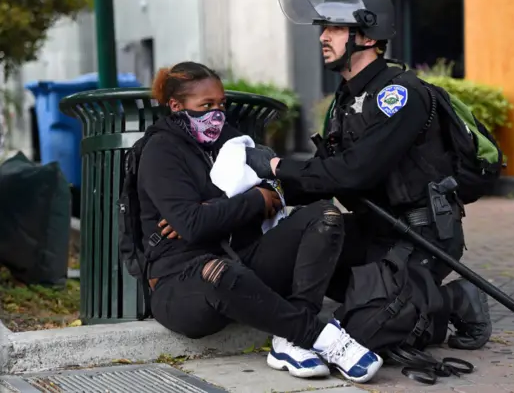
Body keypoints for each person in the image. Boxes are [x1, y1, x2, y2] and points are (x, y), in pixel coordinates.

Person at [244, 0, 492, 351]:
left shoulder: (399, 95)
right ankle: (382, 297)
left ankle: (455, 301)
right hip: (375, 230)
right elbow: (324, 173)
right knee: (305, 247)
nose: (323, 38)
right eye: (323, 29)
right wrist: (260, 188)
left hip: (419, 236)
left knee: (361, 335)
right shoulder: (347, 100)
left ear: (368, 36)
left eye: (335, 28)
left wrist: (279, 165)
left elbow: (354, 172)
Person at [135, 61, 383, 383]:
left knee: (324, 215)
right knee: (219, 271)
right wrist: (253, 200)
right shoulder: (160, 151)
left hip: (241, 258)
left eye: (221, 104)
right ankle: (320, 337)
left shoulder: (229, 140)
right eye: (205, 105)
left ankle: (289, 340)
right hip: (181, 283)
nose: (217, 113)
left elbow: (276, 183)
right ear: (176, 106)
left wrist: (260, 194)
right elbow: (193, 225)